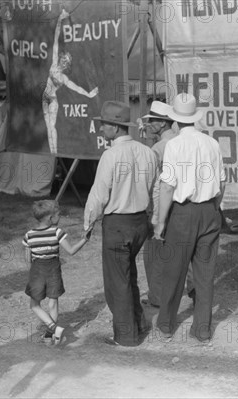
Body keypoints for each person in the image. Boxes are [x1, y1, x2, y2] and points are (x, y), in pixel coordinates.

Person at [153, 93, 226, 343]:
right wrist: (214, 206)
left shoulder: (174, 145)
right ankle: (203, 329)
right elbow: (222, 182)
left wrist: (161, 222)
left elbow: (167, 187)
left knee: (174, 269)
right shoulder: (212, 143)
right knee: (205, 274)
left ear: (174, 121)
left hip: (183, 213)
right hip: (209, 210)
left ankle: (166, 324)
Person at [84, 100, 157, 347]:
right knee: (129, 274)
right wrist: (154, 219)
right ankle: (140, 323)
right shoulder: (148, 152)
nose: (102, 129)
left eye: (104, 125)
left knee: (118, 282)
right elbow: (156, 190)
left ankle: (126, 336)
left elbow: (99, 194)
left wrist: (88, 223)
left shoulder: (110, 155)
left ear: (115, 127)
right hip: (140, 222)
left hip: (118, 224)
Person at [23, 200, 89, 345]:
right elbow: (71, 251)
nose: (60, 217)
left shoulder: (29, 235)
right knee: (53, 303)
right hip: (53, 270)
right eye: (58, 214)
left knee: (34, 305)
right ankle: (52, 332)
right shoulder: (57, 232)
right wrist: (84, 240)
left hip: (37, 271)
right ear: (50, 218)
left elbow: (28, 260)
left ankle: (51, 332)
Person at [42, 8, 98, 154]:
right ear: (61, 59)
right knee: (48, 126)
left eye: (66, 62)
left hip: (52, 99)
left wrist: (89, 94)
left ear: (67, 65)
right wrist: (59, 21)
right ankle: (51, 151)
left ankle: (54, 152)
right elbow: (55, 41)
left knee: (52, 126)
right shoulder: (54, 63)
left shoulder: (64, 78)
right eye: (64, 59)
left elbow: (76, 88)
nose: (64, 62)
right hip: (45, 96)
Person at [140, 101, 177, 308]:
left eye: (152, 121)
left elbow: (150, 176)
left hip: (159, 202)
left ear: (162, 123)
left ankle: (157, 296)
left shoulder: (159, 147)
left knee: (154, 253)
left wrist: (152, 212)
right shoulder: (178, 141)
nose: (149, 124)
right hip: (178, 202)